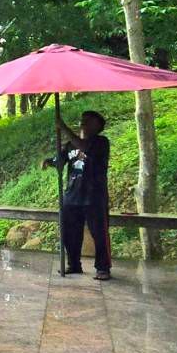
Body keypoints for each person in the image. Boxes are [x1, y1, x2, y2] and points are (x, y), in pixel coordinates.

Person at [43, 110, 111, 280]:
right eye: (83, 120)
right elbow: (60, 161)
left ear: (98, 126)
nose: (83, 123)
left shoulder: (101, 142)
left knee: (99, 233)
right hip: (72, 195)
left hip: (94, 196)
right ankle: (74, 264)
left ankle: (103, 268)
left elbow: (85, 147)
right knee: (70, 232)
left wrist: (63, 127)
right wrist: (50, 162)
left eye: (89, 121)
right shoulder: (71, 144)